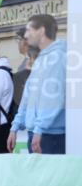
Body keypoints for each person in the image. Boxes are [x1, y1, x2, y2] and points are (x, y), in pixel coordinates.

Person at [7, 14, 66, 154]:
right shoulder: (41, 59)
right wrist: (14, 127)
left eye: (29, 30)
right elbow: (27, 97)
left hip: (50, 136)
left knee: (50, 176)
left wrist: (40, 129)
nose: (26, 36)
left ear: (41, 31)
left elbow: (54, 97)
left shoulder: (58, 57)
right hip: (37, 133)